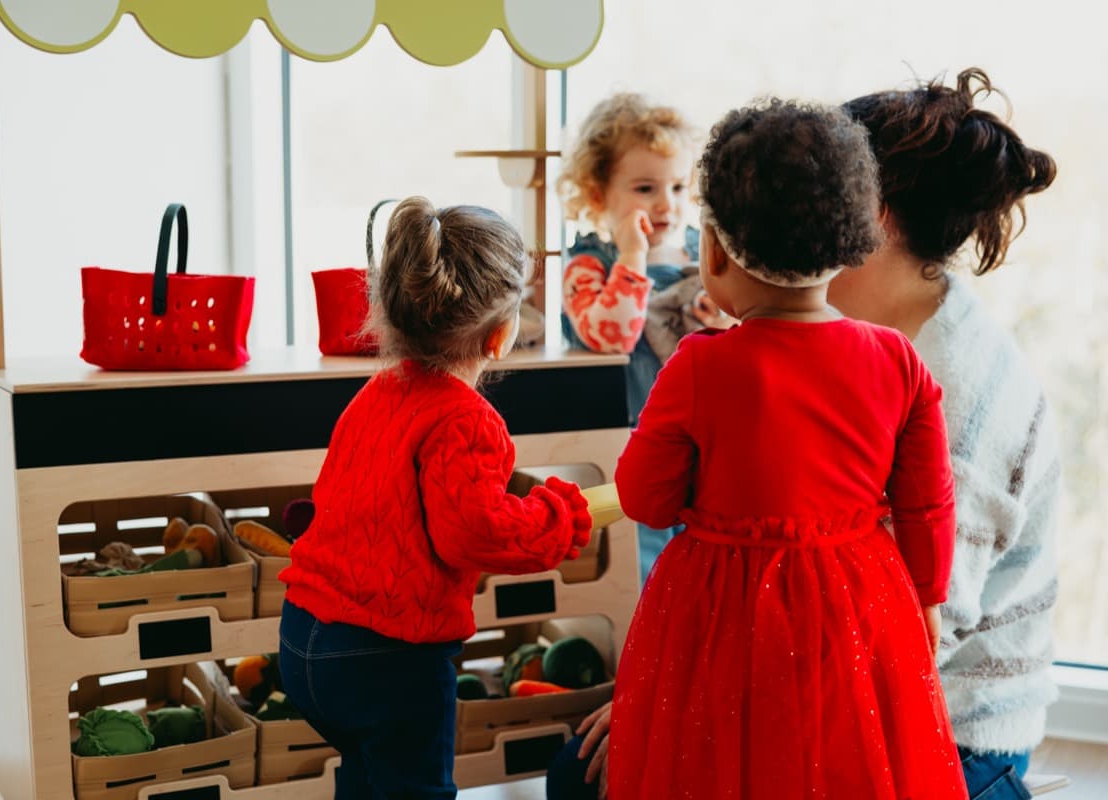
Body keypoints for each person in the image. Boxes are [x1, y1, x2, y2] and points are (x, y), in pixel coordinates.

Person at [608, 99, 965, 798]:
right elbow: (928, 502)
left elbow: (642, 498)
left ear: (713, 250)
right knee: (846, 763)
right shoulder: (897, 359)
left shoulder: (699, 367)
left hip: (721, 610)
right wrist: (924, 600)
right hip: (861, 603)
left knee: (720, 766)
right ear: (858, 241)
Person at [277, 196, 593, 799]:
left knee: (368, 779)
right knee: (416, 787)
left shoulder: (378, 392)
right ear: (501, 337)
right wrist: (558, 516)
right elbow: (476, 531)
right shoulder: (465, 419)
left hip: (306, 642)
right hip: (386, 656)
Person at [830, 68, 1060, 799]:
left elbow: (907, 644)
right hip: (865, 697)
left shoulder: (956, 389)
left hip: (952, 739)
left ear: (873, 216)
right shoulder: (858, 337)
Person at [557, 92, 730, 580]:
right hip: (633, 442)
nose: (666, 205)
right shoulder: (591, 263)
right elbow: (611, 334)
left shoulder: (704, 255)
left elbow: (744, 329)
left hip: (707, 442)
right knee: (644, 556)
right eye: (645, 188)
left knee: (709, 554)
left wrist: (721, 319)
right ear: (597, 194)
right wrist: (632, 256)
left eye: (678, 187)